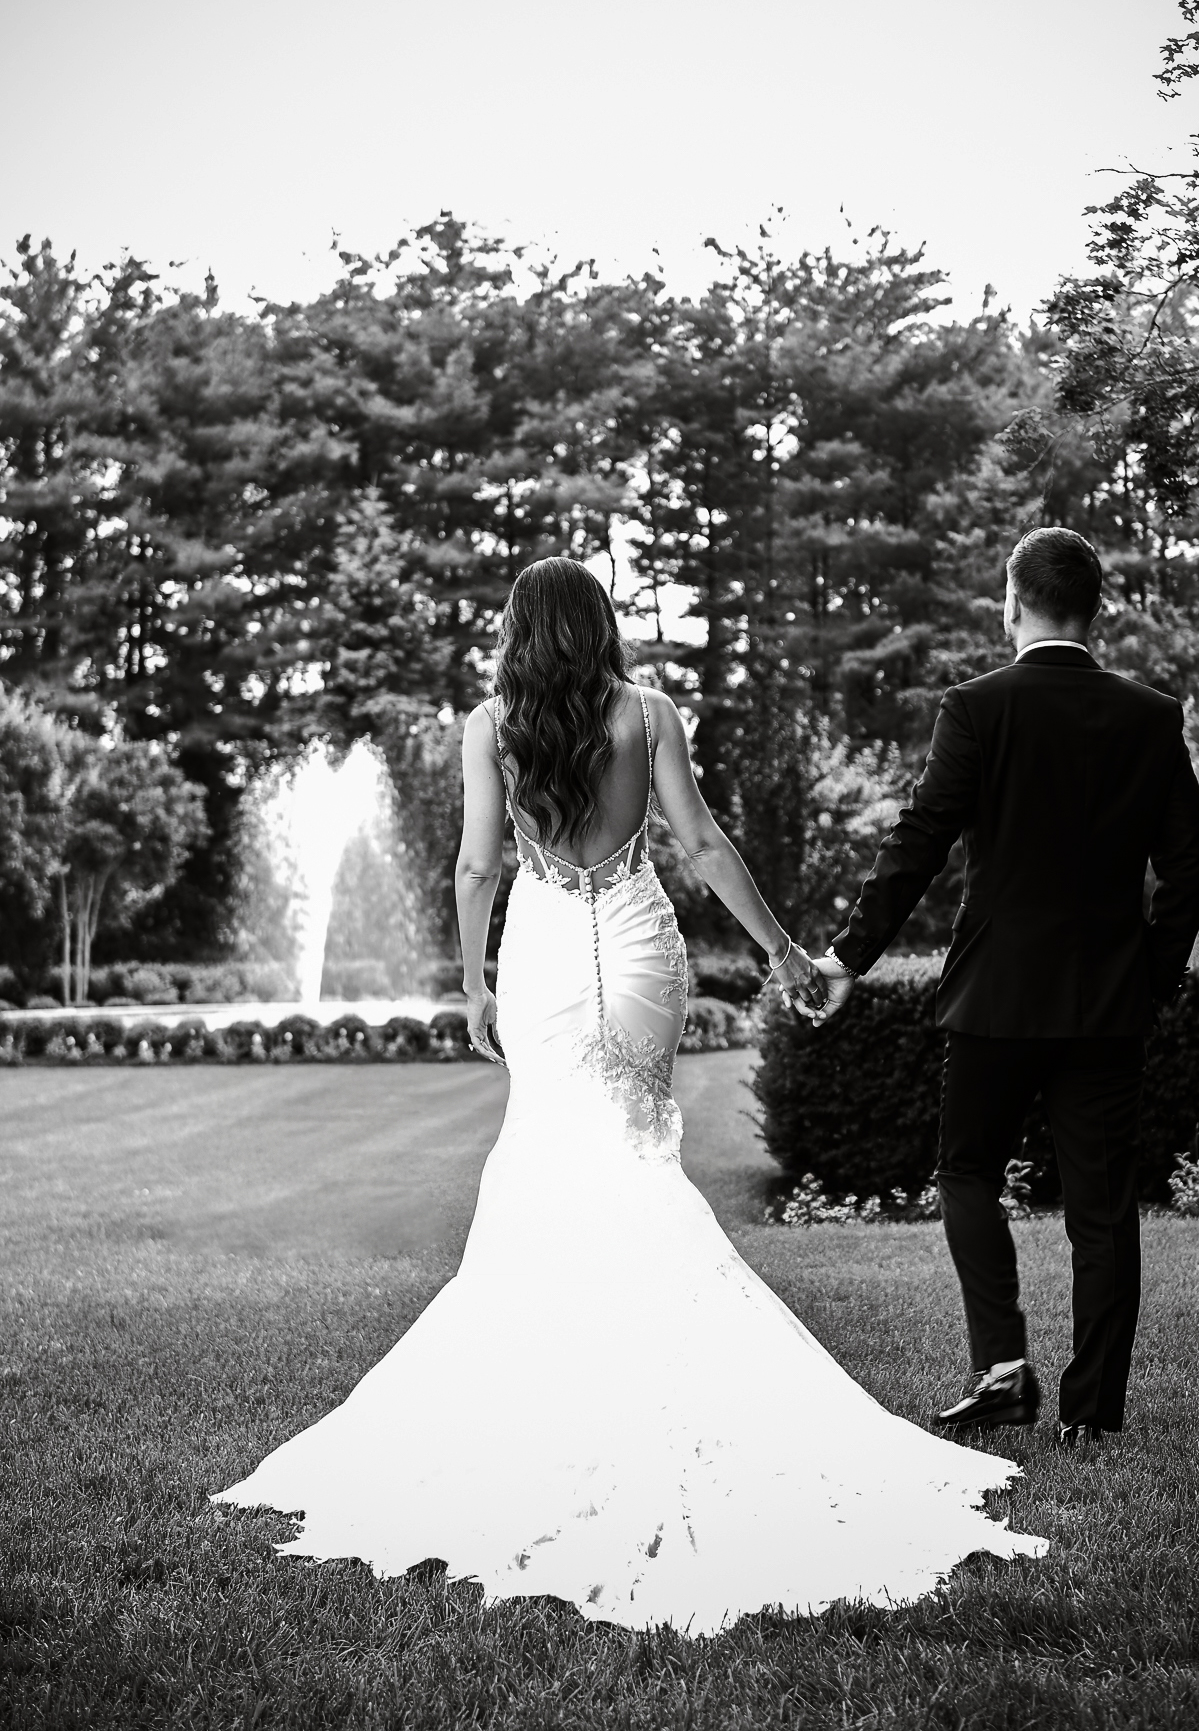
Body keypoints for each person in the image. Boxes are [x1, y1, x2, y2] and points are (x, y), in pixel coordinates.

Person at [212, 555, 1046, 1633]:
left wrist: (472, 984)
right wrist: (782, 950)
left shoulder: (489, 726)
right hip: (640, 945)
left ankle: (552, 1403)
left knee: (555, 1162)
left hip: (546, 953)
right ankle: (662, 1384)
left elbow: (476, 868)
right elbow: (697, 843)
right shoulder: (646, 713)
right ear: (597, 625)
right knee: (636, 1157)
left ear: (519, 632)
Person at [811, 528, 1199, 1445]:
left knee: (965, 1172)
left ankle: (1001, 1369)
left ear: (1011, 601)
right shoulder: (1151, 715)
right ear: (1093, 607)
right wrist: (1149, 977)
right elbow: (1188, 864)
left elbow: (918, 840)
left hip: (994, 995)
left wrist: (848, 956)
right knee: (1101, 1212)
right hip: (1107, 1004)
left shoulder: (977, 707)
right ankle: (1091, 1415)